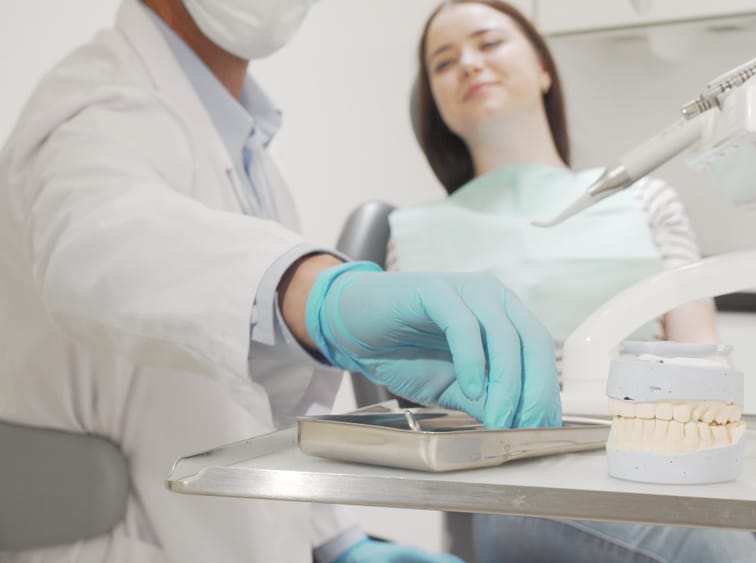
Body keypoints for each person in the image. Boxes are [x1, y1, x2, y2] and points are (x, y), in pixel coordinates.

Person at [388, 1, 756, 561]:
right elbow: (420, 398)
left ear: (543, 67)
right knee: (718, 551)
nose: (469, 63)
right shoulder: (410, 236)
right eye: (443, 61)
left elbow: (702, 366)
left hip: (668, 450)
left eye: (489, 42)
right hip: (516, 485)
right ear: (435, 102)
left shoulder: (644, 201)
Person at [0, 0, 562, 562]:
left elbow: (254, 401)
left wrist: (339, 542)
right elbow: (102, 239)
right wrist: (317, 293)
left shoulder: (245, 147)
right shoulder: (94, 105)